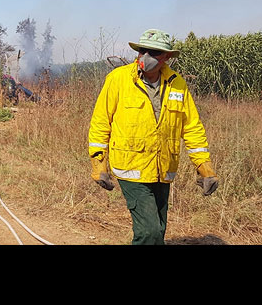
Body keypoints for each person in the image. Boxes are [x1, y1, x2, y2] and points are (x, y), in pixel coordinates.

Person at [88, 29, 219, 245]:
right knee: (149, 232)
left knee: (158, 230)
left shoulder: (177, 84)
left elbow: (192, 128)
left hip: (163, 169)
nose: (145, 56)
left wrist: (205, 168)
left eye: (154, 52)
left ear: (167, 57)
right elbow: (101, 123)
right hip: (131, 168)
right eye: (143, 50)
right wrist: (99, 164)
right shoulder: (118, 79)